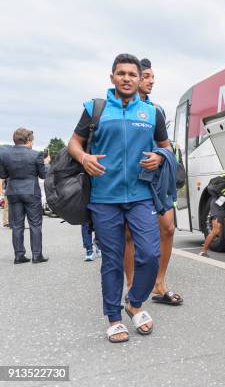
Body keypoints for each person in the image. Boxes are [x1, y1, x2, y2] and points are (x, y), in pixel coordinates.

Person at [67, 53, 171, 343]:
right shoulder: (96, 108)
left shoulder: (152, 113)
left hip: (141, 195)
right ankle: (114, 318)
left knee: (150, 254)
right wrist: (84, 156)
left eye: (132, 74)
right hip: (104, 197)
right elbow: (74, 142)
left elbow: (167, 146)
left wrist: (160, 156)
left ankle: (135, 302)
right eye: (121, 73)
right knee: (112, 260)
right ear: (112, 77)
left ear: (139, 80)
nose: (127, 78)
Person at [123, 58, 182, 306]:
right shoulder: (121, 107)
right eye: (146, 76)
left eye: (152, 78)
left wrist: (161, 156)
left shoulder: (156, 110)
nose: (151, 81)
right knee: (128, 235)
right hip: (129, 178)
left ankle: (159, 283)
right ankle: (132, 286)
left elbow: (164, 145)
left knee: (167, 228)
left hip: (156, 178)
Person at [0, 128, 49, 264]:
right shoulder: (36, 155)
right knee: (35, 224)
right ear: (28, 140)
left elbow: (3, 175)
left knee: (16, 225)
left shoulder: (4, 154)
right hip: (31, 191)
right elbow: (43, 175)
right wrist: (46, 164)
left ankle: (19, 255)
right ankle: (37, 255)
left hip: (13, 191)